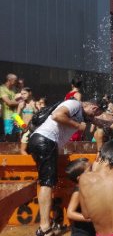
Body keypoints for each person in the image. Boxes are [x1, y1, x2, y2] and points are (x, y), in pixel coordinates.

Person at [28, 99, 105, 236]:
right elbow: (56, 116)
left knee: (48, 182)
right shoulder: (74, 104)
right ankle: (45, 229)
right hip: (45, 140)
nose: (93, 117)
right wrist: (77, 125)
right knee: (46, 184)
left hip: (44, 142)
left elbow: (102, 123)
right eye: (94, 113)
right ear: (92, 107)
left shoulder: (81, 114)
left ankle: (48, 224)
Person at [65, 158, 96, 236]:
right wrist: (89, 219)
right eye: (90, 169)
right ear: (80, 178)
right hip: (81, 232)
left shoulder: (89, 187)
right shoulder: (78, 192)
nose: (93, 171)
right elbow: (70, 213)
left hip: (91, 229)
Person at [1, 73, 22, 142]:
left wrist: (21, 86)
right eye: (15, 80)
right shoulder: (1, 89)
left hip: (17, 115)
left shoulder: (15, 89)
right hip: (7, 116)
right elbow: (9, 103)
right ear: (10, 80)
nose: (16, 82)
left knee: (22, 130)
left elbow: (23, 96)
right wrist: (20, 103)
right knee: (8, 135)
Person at [17, 87, 37, 155]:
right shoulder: (21, 104)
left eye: (24, 93)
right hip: (23, 129)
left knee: (31, 149)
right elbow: (16, 117)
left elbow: (39, 116)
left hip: (33, 129)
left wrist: (34, 107)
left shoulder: (35, 103)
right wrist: (18, 124)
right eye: (21, 94)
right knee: (23, 149)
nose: (23, 96)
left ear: (30, 93)